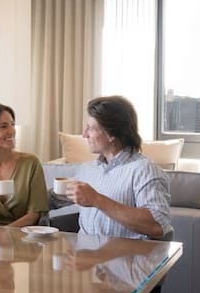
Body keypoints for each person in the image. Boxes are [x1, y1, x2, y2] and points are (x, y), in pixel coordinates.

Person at [66, 96, 172, 239]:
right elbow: (53, 199)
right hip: (83, 252)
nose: (84, 135)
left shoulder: (144, 170)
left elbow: (158, 225)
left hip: (124, 253)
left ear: (111, 134)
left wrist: (97, 200)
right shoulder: (87, 170)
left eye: (90, 128)